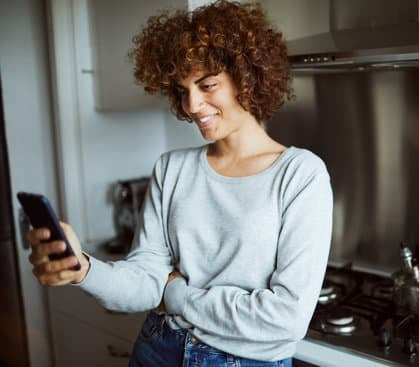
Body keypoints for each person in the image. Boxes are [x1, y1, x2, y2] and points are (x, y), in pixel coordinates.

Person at [26, 1, 333, 366]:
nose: (191, 104)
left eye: (207, 85)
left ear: (247, 76)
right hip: (158, 348)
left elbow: (286, 319)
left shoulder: (300, 175)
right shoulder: (172, 168)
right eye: (182, 89)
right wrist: (83, 269)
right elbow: (145, 279)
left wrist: (175, 295)